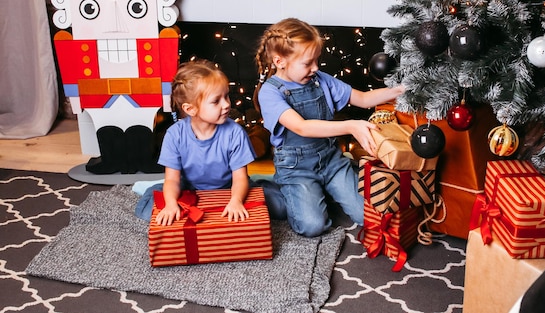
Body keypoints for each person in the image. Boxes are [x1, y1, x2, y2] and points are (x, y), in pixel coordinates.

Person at [254, 18, 405, 237]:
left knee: (367, 216)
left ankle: (329, 188)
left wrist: (399, 90)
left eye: (317, 61)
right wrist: (351, 126)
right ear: (280, 61)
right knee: (312, 225)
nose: (315, 68)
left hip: (331, 160)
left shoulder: (320, 80)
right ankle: (272, 190)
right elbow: (302, 127)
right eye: (307, 63)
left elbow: (363, 99)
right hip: (297, 168)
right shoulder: (271, 92)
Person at [135, 59, 285, 224]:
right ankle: (154, 189)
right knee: (148, 209)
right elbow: (172, 179)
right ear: (190, 109)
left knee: (280, 207)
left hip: (230, 186)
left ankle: (263, 184)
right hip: (189, 187)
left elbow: (240, 178)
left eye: (226, 96)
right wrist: (171, 204)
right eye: (216, 101)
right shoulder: (174, 134)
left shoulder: (235, 132)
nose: (227, 104)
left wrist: (236, 200)